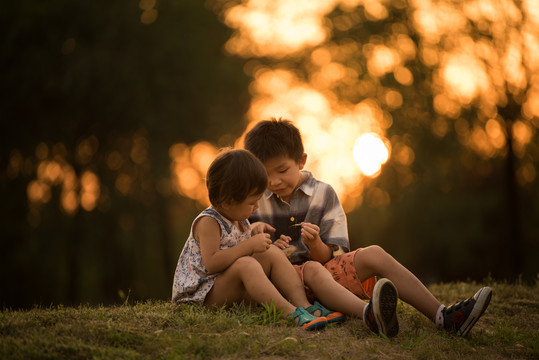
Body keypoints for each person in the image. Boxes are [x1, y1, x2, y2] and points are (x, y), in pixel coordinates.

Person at [244, 118, 492, 337]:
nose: (274, 181)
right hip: (281, 287)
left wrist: (315, 244)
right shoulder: (254, 200)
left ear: (301, 160)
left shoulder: (323, 194)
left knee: (374, 253)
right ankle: (367, 313)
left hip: (325, 278)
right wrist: (266, 247)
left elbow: (333, 255)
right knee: (301, 269)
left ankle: (443, 316)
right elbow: (244, 256)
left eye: (282, 171)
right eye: (266, 175)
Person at [172, 148, 344, 331]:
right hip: (201, 297)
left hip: (227, 287)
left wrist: (261, 245)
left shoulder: (238, 217)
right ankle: (291, 313)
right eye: (252, 202)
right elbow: (212, 263)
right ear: (227, 202)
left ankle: (304, 305)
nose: (257, 206)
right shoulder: (208, 222)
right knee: (246, 264)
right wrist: (249, 245)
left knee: (270, 252)